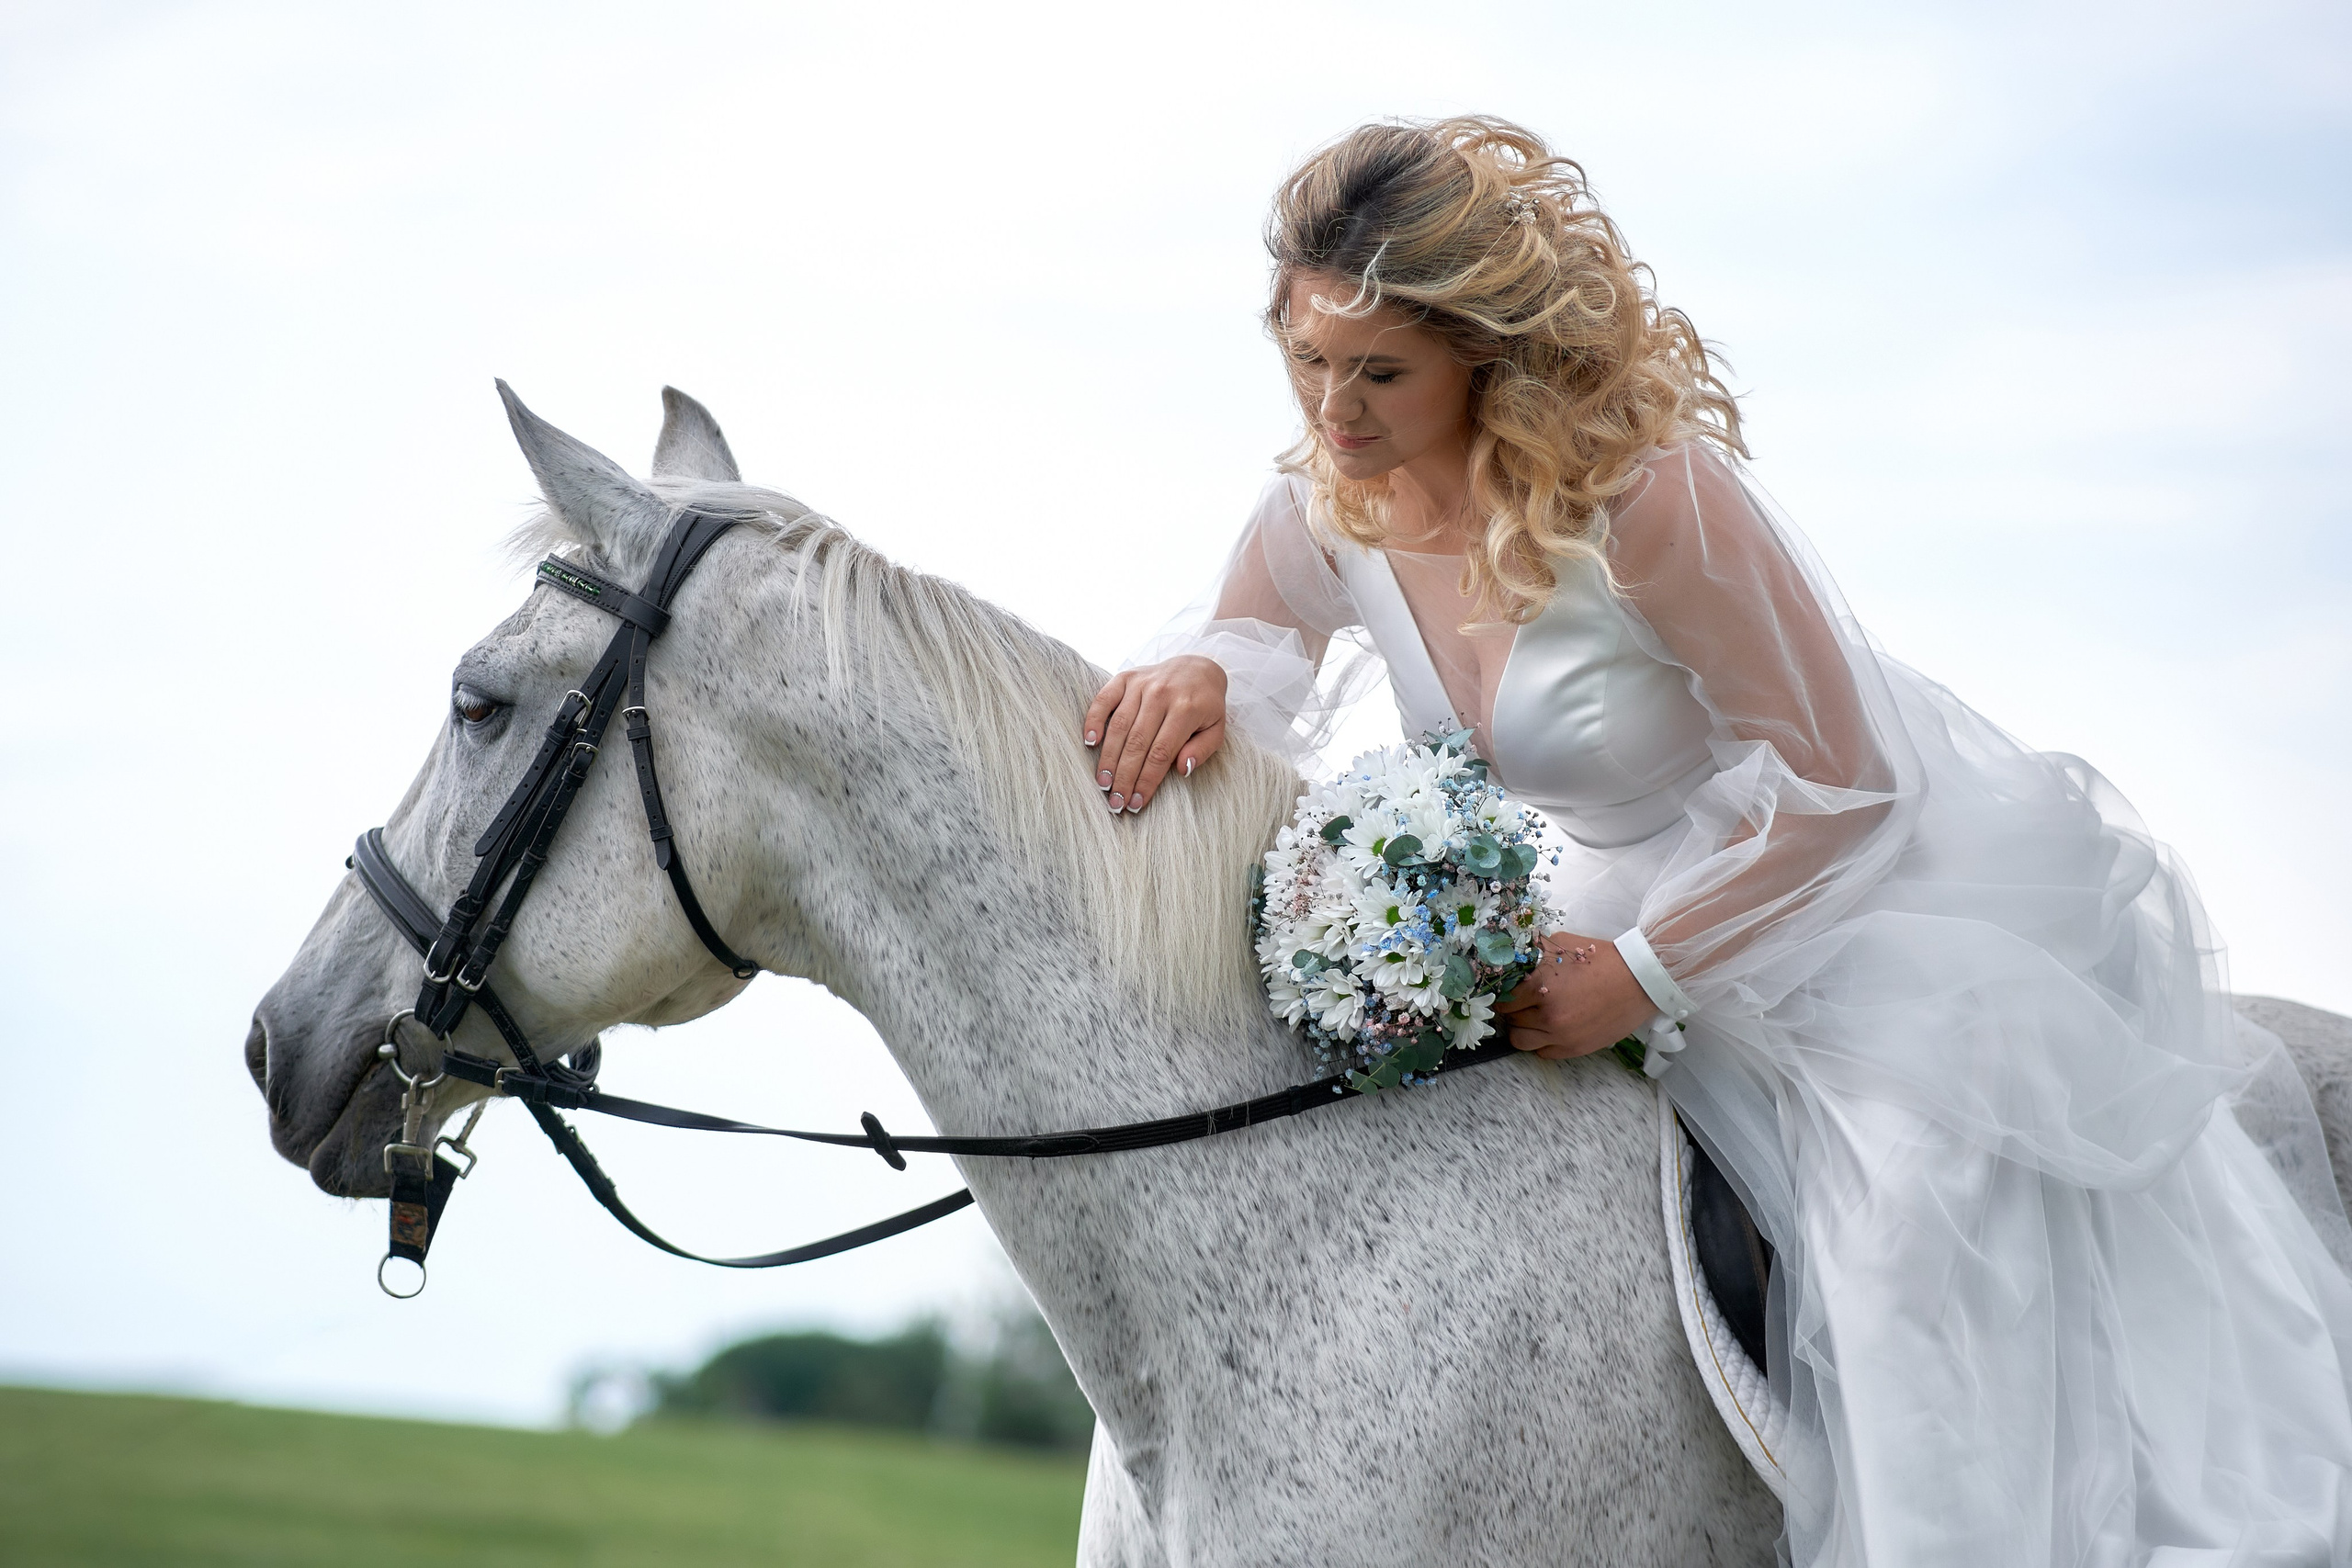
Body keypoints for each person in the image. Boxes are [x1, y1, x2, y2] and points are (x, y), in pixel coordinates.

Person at [1081, 116, 2352, 1566]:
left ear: (1481, 353)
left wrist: (1644, 973)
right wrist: (1195, 670)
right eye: (1307, 362)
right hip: (1577, 898)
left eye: (1378, 372)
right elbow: (1257, 649)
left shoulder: (1648, 499)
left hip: (1813, 901)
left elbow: (1847, 789)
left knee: (1899, 1219)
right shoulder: (1330, 497)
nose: (1335, 409)